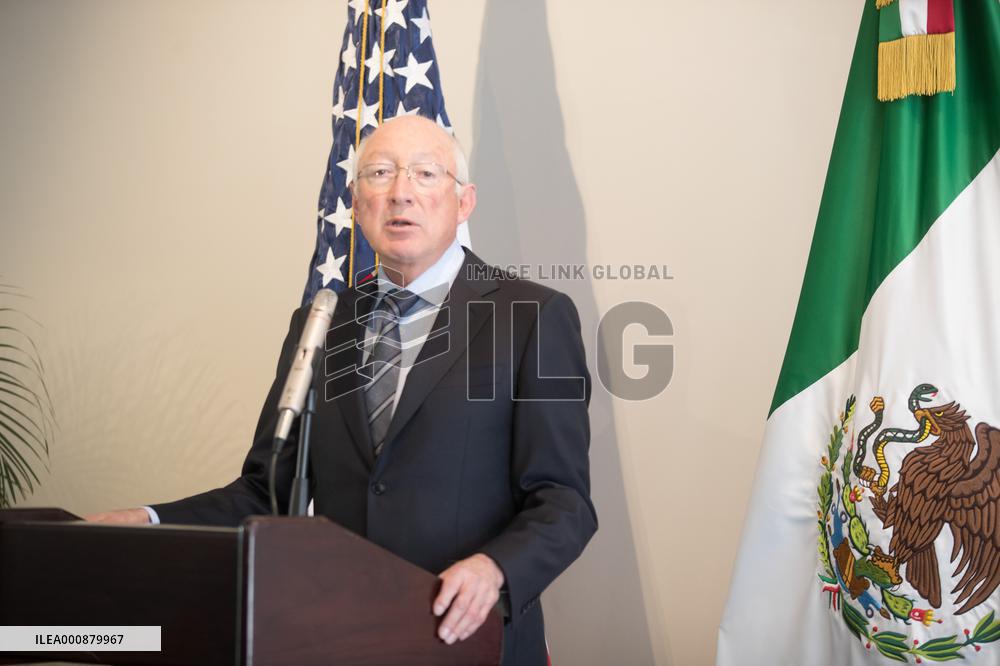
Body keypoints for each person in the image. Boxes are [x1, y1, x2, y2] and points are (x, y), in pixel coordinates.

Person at [89, 115, 597, 665]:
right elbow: (266, 492)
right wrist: (150, 520)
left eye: (426, 173)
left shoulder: (531, 317)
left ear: (464, 201)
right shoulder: (323, 321)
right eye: (379, 173)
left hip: (470, 639)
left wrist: (494, 569)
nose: (400, 192)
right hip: (342, 638)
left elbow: (563, 500)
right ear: (355, 203)